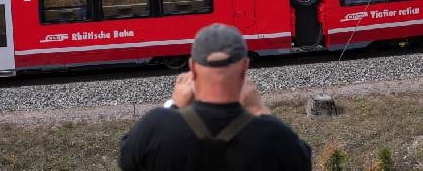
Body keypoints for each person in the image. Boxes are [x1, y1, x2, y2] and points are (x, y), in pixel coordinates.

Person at [119, 24, 312, 171]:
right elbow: (303, 162)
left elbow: (126, 159)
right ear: (245, 67)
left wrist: (174, 105)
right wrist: (258, 109)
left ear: (193, 68)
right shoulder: (275, 136)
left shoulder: (156, 127)